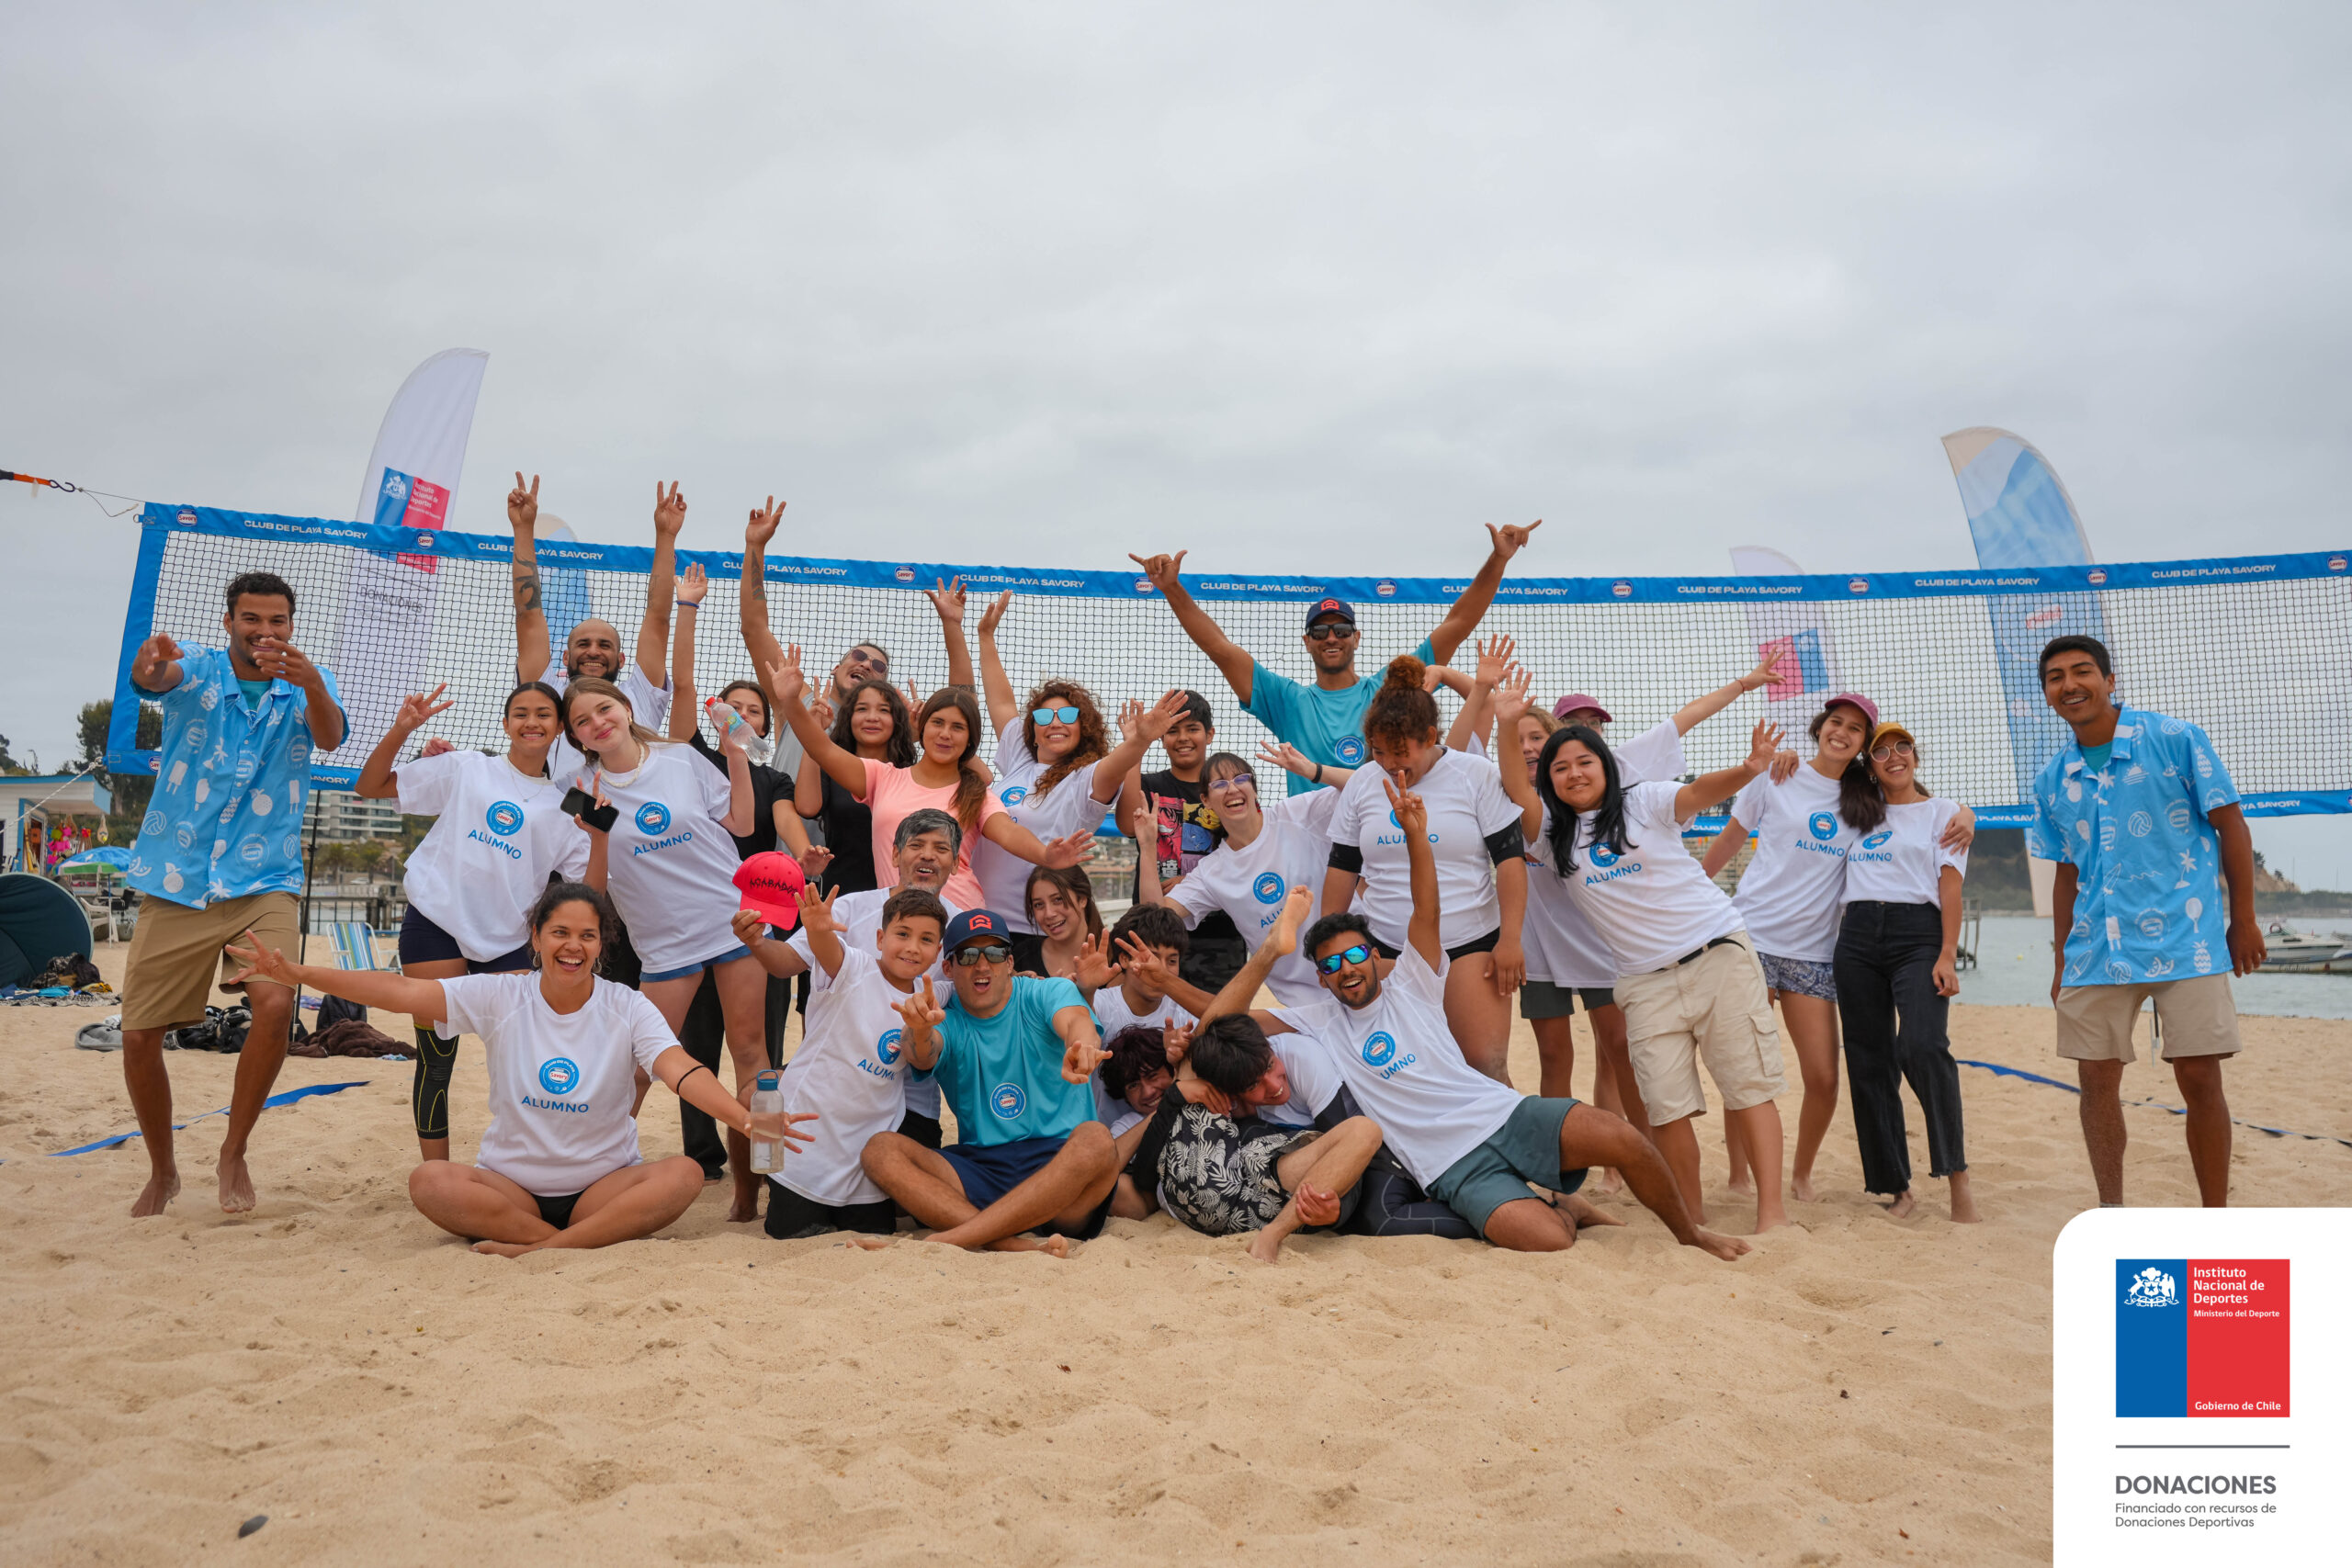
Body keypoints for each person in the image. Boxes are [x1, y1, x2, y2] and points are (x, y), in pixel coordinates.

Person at [1203, 792, 1747, 1258]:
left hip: (1502, 1113)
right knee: (1549, 1241)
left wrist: (1417, 835)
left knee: (1622, 1137)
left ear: (1373, 955)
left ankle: (1690, 1235)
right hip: (1447, 1164)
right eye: (1329, 965)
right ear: (1320, 979)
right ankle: (1557, 1202)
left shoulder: (1412, 982)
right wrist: (1273, 951)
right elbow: (1218, 1025)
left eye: (1353, 956)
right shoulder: (1315, 1020)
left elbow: (1426, 909)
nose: (1345, 969)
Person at [223, 884, 811, 1255]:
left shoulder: (626, 1005)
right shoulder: (502, 995)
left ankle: (544, 1248)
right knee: (429, 1182)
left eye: (586, 935)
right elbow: (400, 992)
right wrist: (302, 974)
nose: (572, 946)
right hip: (511, 1188)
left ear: (601, 946)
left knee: (683, 1173)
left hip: (601, 1187)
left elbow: (681, 1070)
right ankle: (553, 1242)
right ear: (536, 938)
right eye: (559, 933)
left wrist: (744, 1119)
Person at [117, 570, 347, 1215]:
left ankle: (233, 1149)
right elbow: (158, 679)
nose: (265, 632)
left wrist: (314, 683)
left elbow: (329, 737)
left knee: (275, 1006)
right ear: (230, 622)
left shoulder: (305, 683)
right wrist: (149, 669)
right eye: (252, 619)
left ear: (291, 626)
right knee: (139, 1035)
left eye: (277, 621)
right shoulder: (198, 666)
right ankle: (162, 1170)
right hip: (178, 873)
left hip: (263, 877)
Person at [1502, 649, 1792, 1148]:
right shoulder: (1512, 792)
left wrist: (1744, 685)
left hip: (1611, 942)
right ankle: (1572, 1160)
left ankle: (1636, 1158)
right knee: (1556, 1057)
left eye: (1592, 725)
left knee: (1619, 1051)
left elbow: (1682, 722)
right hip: (1544, 941)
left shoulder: (1616, 771)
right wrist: (1497, 715)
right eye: (1524, 739)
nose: (1533, 747)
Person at [1528, 718, 1793, 1234]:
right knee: (1666, 1107)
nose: (1574, 773)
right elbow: (1514, 790)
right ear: (1549, 782)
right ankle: (1691, 1219)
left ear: (1605, 765)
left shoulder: (1641, 801)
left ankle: (1772, 1216)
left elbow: (1696, 792)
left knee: (1747, 1087)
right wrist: (1508, 715)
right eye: (1560, 768)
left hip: (1716, 951)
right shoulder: (1552, 837)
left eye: (1585, 761)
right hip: (1643, 981)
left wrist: (1748, 768)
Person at [2030, 635, 2263, 1208]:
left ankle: (2216, 1218)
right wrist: (2061, 959)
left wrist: (2245, 920)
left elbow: (2232, 825)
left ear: (2110, 681)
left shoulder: (2175, 739)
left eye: (2082, 671)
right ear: (2047, 695)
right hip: (2095, 949)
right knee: (2096, 1083)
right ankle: (2113, 1212)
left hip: (2188, 939)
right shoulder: (2052, 778)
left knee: (2201, 1077)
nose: (2070, 685)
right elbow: (2065, 875)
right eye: (2056, 677)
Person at [561, 675, 772, 1223]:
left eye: (603, 709)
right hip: (664, 943)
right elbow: (593, 891)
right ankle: (590, 1174)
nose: (597, 723)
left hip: (734, 922)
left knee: (752, 1056)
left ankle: (767, 1185)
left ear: (626, 709)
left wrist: (735, 754)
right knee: (638, 1065)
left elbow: (743, 823)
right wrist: (598, 834)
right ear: (577, 734)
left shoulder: (679, 758)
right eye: (583, 720)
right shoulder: (580, 787)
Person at [1126, 521, 1540, 792]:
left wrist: (1499, 558)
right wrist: (1172, 590)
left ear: (1356, 638)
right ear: (1307, 641)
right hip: (1313, 843)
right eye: (1321, 631)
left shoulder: (1388, 689)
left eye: (1342, 630)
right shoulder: (1288, 701)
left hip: (1382, 832)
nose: (1331, 637)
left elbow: (1459, 621)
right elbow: (1219, 647)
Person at [354, 680, 586, 1162]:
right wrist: (401, 732)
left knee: (527, 1059)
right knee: (437, 1059)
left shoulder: (565, 806)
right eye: (520, 713)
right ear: (505, 724)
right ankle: (437, 1173)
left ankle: (532, 1164)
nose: (531, 722)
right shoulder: (467, 767)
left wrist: (600, 835)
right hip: (436, 920)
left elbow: (592, 888)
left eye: (543, 714)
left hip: (508, 939)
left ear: (559, 728)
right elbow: (370, 785)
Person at [664, 559, 823, 1180]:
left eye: (753, 710)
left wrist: (800, 852)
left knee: (761, 1049)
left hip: (762, 923)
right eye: (730, 706)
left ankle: (766, 1159)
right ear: (714, 716)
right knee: (695, 1046)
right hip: (696, 920)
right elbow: (680, 689)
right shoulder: (691, 760)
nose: (742, 715)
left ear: (765, 722)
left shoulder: (773, 774)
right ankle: (704, 1159)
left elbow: (785, 815)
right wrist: (689, 610)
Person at [859, 910, 1123, 1254]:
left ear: (1010, 962)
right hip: (984, 1168)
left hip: (1060, 1169)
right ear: (949, 969)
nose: (982, 965)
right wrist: (919, 1029)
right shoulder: (947, 1021)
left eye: (994, 954)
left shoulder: (1045, 993)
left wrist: (1083, 1048)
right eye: (968, 955)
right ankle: (1007, 1243)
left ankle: (956, 1238)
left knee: (1097, 1139)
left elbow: (1076, 1022)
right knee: (880, 1150)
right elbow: (922, 1053)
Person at [1321, 656, 1527, 1082]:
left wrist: (1510, 940)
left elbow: (1509, 861)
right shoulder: (1362, 784)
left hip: (1469, 943)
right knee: (1409, 1073)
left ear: (1429, 736)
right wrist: (1329, 946)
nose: (1391, 765)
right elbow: (1342, 867)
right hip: (1388, 949)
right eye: (1378, 752)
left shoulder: (1474, 775)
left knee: (1483, 1067)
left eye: (1401, 752)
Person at [768, 645, 1094, 912]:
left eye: (958, 727)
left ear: (970, 741)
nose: (945, 734)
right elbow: (821, 748)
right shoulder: (882, 777)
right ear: (921, 730)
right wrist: (792, 702)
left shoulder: (975, 793)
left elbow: (1008, 832)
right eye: (937, 723)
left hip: (959, 921)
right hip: (895, 921)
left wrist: (1046, 856)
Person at [969, 589, 1190, 971]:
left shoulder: (1084, 779)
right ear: (1032, 730)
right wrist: (986, 638)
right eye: (1042, 717)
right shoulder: (1019, 761)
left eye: (1067, 716)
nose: (1054, 723)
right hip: (982, 921)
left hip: (1033, 933)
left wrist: (1138, 740)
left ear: (1082, 726)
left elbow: (1117, 763)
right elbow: (1002, 702)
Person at [733, 807, 968, 1148]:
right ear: (895, 854)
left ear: (956, 863)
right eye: (917, 845)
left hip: (909, 1093)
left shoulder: (961, 927)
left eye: (941, 848)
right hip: (830, 1075)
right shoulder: (850, 908)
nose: (928, 855)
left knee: (897, 1179)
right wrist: (757, 940)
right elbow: (784, 964)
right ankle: (747, 1199)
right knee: (755, 1097)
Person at [1835, 721, 1977, 1223]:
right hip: (1856, 937)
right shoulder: (1854, 813)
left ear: (1915, 756)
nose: (1894, 756)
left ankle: (1957, 1177)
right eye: (1881, 752)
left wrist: (1947, 954)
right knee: (1868, 1061)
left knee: (1922, 1046)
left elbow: (1950, 888)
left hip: (1919, 933)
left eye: (1903, 747)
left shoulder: (1945, 814)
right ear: (1869, 766)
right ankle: (1897, 1187)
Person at [752, 882, 949, 1239]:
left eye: (925, 940)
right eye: (902, 934)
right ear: (879, 937)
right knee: (792, 1234)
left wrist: (1021, 977)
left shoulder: (931, 995)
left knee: (873, 1234)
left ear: (937, 952)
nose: (911, 947)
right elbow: (828, 949)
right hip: (807, 1144)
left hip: (865, 1159)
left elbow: (969, 987)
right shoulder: (852, 968)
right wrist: (815, 928)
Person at [1142, 1014, 1385, 1263]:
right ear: (1232, 1090)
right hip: (1234, 1169)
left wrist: (1338, 1213)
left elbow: (1343, 1155)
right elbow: (1143, 1177)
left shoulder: (1303, 1061)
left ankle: (1272, 1235)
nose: (1273, 1085)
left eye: (1269, 1065)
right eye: (1253, 1086)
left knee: (1364, 1131)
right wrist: (1176, 1092)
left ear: (1270, 1047)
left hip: (1276, 1191)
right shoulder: (1208, 1093)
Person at [1132, 744, 1350, 1007]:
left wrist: (1312, 770)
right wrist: (1147, 846)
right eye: (1220, 784)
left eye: (1241, 779)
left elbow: (1367, 787)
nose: (1233, 789)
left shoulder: (1297, 814)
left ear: (1254, 789)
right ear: (1206, 800)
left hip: (1358, 970)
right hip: (1304, 1005)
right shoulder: (1212, 872)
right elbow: (1154, 915)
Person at [505, 473, 679, 778]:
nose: (593, 651)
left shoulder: (640, 697)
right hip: (559, 822)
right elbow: (528, 616)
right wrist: (523, 529)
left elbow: (657, 619)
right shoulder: (547, 694)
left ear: (622, 660)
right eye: (583, 644)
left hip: (633, 822)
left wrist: (666, 536)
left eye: (605, 645)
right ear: (565, 657)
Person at [1112, 690, 1251, 993]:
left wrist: (1191, 881)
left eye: (1192, 728)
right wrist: (1136, 743)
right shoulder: (1150, 786)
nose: (1183, 738)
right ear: (1161, 738)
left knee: (1215, 1021)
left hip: (1219, 933)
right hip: (1155, 930)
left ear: (1209, 734)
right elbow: (1126, 824)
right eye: (1172, 730)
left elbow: (1245, 854)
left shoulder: (1225, 792)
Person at [1023, 863, 1106, 980]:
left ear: (1082, 899)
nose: (1049, 914)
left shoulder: (1116, 954)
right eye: (1039, 905)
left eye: (1058, 899)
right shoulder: (1021, 958)